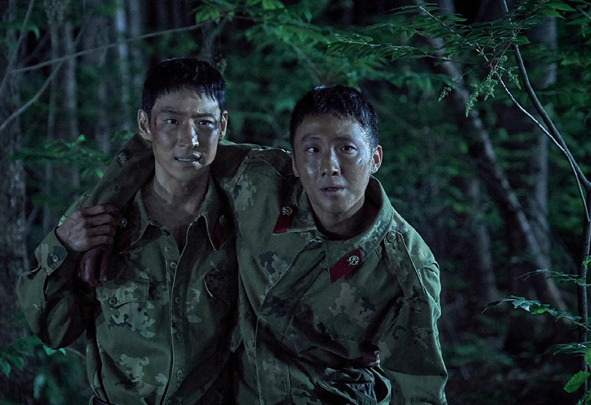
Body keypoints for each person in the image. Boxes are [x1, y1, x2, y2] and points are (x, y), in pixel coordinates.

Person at [89, 85, 448, 404]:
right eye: (313, 149)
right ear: (294, 162)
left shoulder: (405, 268)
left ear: (375, 159)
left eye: (347, 149)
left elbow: (420, 390)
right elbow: (163, 148)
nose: (329, 166)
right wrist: (101, 221)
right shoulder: (261, 185)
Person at [17, 58, 240, 405]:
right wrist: (63, 247)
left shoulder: (242, 216)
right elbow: (54, 330)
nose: (189, 139)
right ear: (145, 124)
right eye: (172, 121)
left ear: (222, 126)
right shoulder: (100, 219)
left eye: (204, 123)